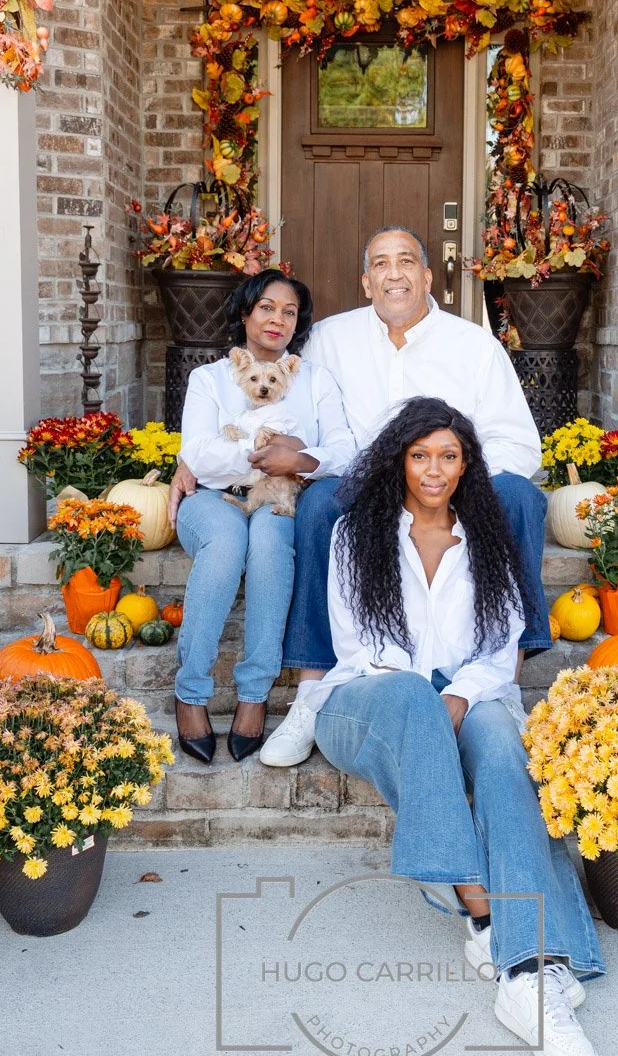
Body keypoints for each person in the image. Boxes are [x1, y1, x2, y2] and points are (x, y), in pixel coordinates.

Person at [302, 396, 606, 1056]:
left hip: (467, 692)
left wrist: (462, 696)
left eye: (448, 455)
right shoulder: (358, 533)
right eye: (420, 456)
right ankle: (485, 911)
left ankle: (526, 972)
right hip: (365, 701)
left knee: (503, 748)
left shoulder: (489, 533)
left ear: (466, 463)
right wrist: (428, 704)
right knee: (411, 695)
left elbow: (502, 648)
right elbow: (360, 648)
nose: (434, 470)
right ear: (399, 462)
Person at [170, 225, 552, 768]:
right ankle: (311, 691)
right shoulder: (329, 338)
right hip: (365, 481)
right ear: (365, 281)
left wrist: (451, 478)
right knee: (320, 502)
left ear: (426, 275)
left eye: (405, 262)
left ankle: (505, 685)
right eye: (380, 264)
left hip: (449, 480)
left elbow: (518, 442)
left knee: (517, 495)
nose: (393, 273)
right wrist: (191, 457)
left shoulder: (474, 346)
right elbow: (276, 398)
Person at [172, 269, 355, 763]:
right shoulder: (208, 379)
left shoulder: (315, 381)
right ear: (246, 313)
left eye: (290, 312)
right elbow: (200, 454)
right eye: (267, 308)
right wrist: (269, 451)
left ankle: (254, 694)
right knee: (228, 545)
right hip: (215, 497)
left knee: (273, 545)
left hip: (284, 492)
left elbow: (343, 448)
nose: (278, 319)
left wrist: (298, 460)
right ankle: (190, 692)